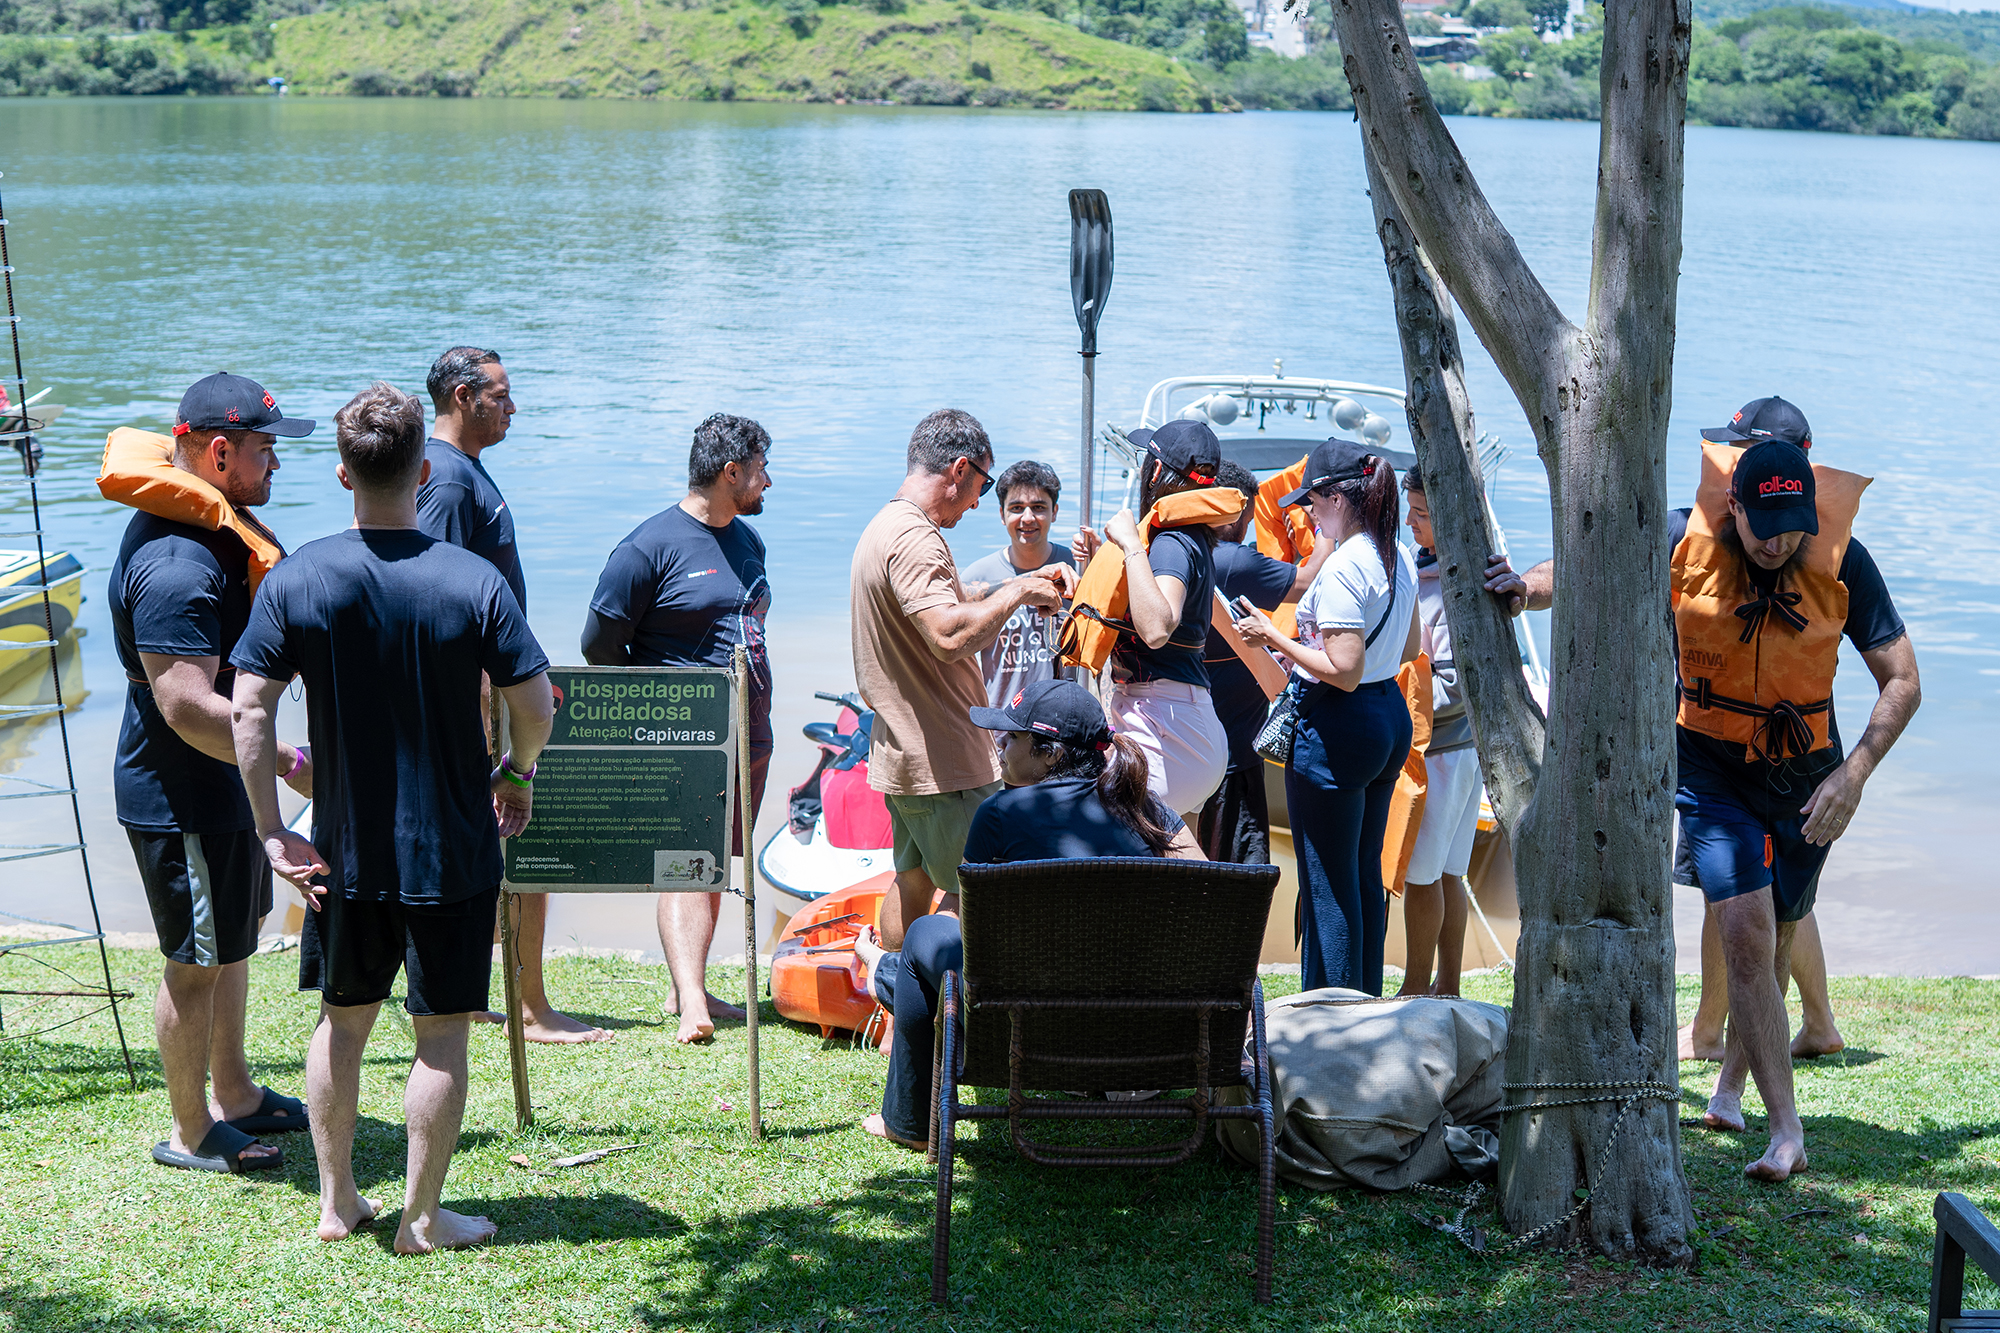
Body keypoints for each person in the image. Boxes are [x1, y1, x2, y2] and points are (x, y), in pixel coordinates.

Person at [1483, 397, 1920, 1182]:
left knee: (1777, 937)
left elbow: (1903, 679)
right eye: (1763, 528)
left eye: (1793, 530)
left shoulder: (1843, 560)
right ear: (1735, 507)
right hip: (1713, 770)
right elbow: (1590, 567)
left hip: (1807, 776)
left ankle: (1730, 1086)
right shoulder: (1684, 540)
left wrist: (1854, 773)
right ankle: (1786, 1132)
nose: (1779, 544)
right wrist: (1523, 587)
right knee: (1745, 930)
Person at [231, 381, 555, 1251]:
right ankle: (421, 1216)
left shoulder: (296, 577)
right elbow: (535, 703)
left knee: (342, 1021)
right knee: (440, 1034)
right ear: (423, 471)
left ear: (344, 473)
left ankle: (338, 1201)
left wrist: (271, 829)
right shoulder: (474, 580)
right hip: (453, 849)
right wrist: (516, 772)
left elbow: (249, 708)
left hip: (341, 849)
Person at [109, 372, 316, 1175]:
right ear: (219, 452)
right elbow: (186, 705)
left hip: (225, 778)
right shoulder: (176, 563)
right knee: (195, 962)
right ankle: (190, 1129)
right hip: (180, 794)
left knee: (232, 944)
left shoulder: (213, 532)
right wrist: (288, 761)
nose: (276, 465)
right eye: (266, 449)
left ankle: (235, 1091)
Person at [852, 679, 1204, 1148]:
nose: (1000, 745)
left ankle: (908, 1117)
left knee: (924, 934)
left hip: (1028, 1030)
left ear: (1050, 754)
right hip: (1145, 1029)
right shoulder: (1146, 807)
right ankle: (888, 972)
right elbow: (1209, 889)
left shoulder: (1000, 813)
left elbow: (973, 936)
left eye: (1013, 737)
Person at [417, 346, 599, 1044]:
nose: (513, 408)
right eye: (501, 395)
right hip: (479, 701)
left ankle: (478, 994)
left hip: (494, 691)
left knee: (494, 843)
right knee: (521, 842)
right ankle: (529, 1006)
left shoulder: (464, 471)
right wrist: (486, 700)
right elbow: (437, 599)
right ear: (463, 397)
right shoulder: (447, 481)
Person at [580, 413, 775, 1044]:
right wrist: (659, 707)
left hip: (749, 730)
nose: (769, 482)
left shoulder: (748, 541)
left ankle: (686, 982)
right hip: (682, 735)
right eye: (762, 469)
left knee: (715, 857)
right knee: (686, 858)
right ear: (731, 472)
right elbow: (598, 644)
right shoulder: (648, 548)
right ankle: (692, 999)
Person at [850, 409, 1070, 952]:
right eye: (983, 487)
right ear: (960, 469)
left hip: (904, 752)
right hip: (945, 761)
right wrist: (1017, 592)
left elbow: (946, 601)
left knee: (913, 880)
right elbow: (947, 635)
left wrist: (1023, 581)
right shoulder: (915, 538)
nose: (976, 504)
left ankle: (898, 998)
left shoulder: (886, 526)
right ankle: (952, 996)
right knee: (978, 888)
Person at [1234, 438, 1417, 997]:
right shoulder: (1398, 553)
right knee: (1362, 873)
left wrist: (1272, 637)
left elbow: (1343, 670)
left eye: (1312, 501)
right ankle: (1365, 1003)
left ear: (1338, 498)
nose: (1309, 513)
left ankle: (1332, 1018)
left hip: (1340, 725)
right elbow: (1410, 647)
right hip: (1388, 718)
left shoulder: (1341, 568)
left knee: (1327, 885)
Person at [1071, 420, 1230, 820]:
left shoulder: (1172, 542)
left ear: (1155, 471)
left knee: (1103, 836)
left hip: (1166, 732)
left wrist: (1129, 544)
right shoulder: (1192, 537)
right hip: (1186, 725)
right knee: (1173, 855)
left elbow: (1158, 628)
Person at [1197, 460, 1330, 864]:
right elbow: (1308, 580)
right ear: (1237, 511)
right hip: (1233, 752)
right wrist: (1322, 528)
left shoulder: (1178, 552)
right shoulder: (1234, 561)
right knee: (1239, 872)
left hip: (1187, 740)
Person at [1396, 464, 1478, 997]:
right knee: (1449, 872)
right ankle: (1447, 987)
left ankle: (1414, 988)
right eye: (1410, 510)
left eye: (1421, 514)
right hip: (1463, 749)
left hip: (1442, 750)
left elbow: (1452, 685)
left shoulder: (1453, 588)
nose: (1410, 522)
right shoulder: (1439, 568)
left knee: (1424, 876)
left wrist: (1391, 703)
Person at [960, 459, 1078, 708]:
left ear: (1054, 512)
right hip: (1001, 718)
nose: (1027, 518)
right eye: (1016, 508)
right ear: (1002, 515)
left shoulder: (1076, 568)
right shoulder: (978, 575)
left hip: (1063, 716)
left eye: (1038, 507)